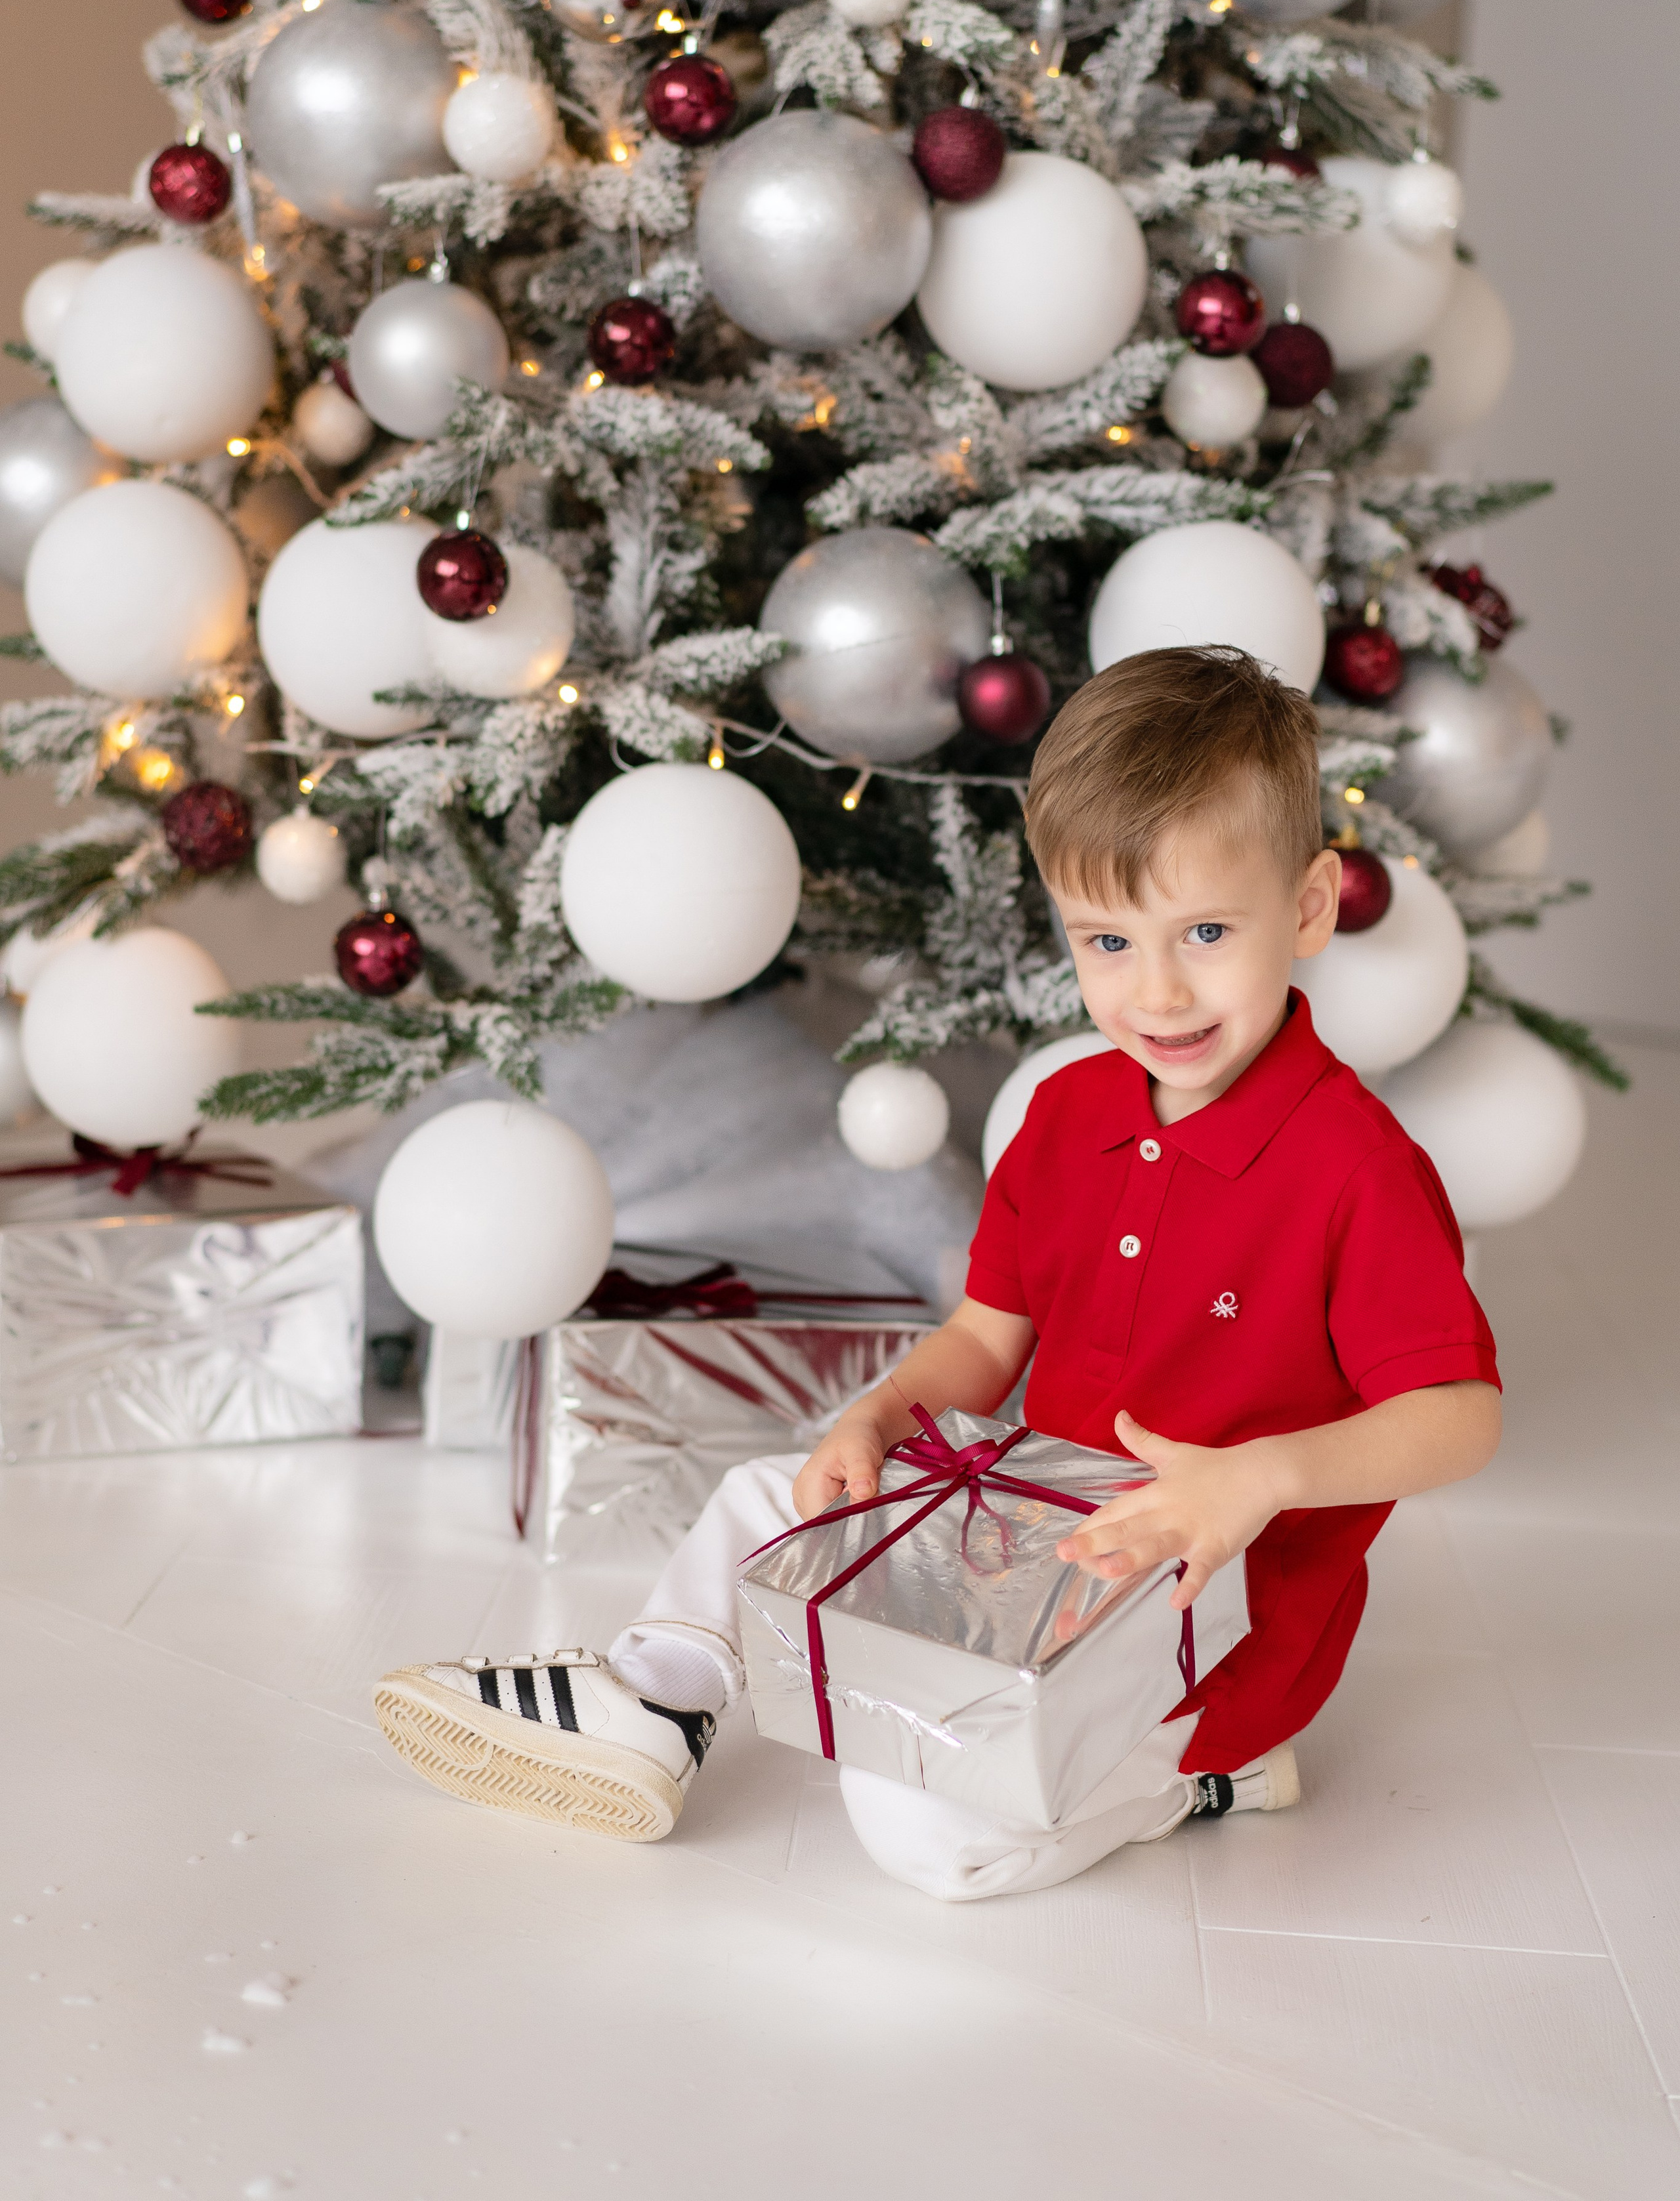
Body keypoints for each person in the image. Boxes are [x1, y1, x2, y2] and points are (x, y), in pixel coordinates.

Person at [375, 645, 1502, 1901]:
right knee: (775, 1493)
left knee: (923, 1836)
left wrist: (1260, 1479)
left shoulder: (1355, 1168)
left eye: (1206, 932)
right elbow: (988, 1331)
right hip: (1029, 1532)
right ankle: (658, 1704)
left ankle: (1204, 1774)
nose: (1161, 988)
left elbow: (1459, 1420)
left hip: (1205, 1612)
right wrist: (886, 1411)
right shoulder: (1069, 1114)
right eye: (1109, 941)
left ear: (1308, 908)